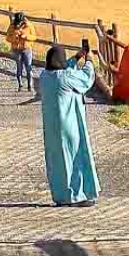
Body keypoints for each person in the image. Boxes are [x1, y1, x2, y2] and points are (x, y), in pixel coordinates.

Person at [40, 44, 101, 207]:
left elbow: (63, 68)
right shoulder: (65, 77)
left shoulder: (45, 77)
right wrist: (88, 60)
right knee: (74, 158)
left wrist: (76, 57)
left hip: (52, 128)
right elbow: (86, 78)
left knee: (58, 162)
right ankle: (76, 195)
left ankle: (62, 196)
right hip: (69, 126)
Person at [5, 12, 38, 92]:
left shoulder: (29, 26)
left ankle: (30, 85)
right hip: (17, 49)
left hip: (27, 49)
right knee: (19, 67)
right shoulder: (12, 26)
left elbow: (34, 37)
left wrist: (26, 36)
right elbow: (8, 38)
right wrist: (14, 37)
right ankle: (20, 85)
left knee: (28, 67)